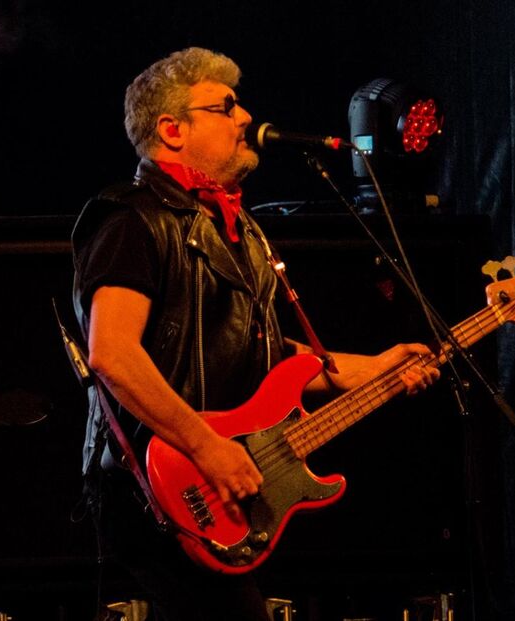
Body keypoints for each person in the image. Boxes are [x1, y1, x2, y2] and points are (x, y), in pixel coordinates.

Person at [71, 47, 439, 621]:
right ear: (172, 130)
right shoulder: (130, 220)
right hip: (157, 484)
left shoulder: (238, 226)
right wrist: (206, 447)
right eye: (226, 106)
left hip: (225, 479)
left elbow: (264, 350)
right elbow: (112, 355)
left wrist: (376, 367)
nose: (246, 118)